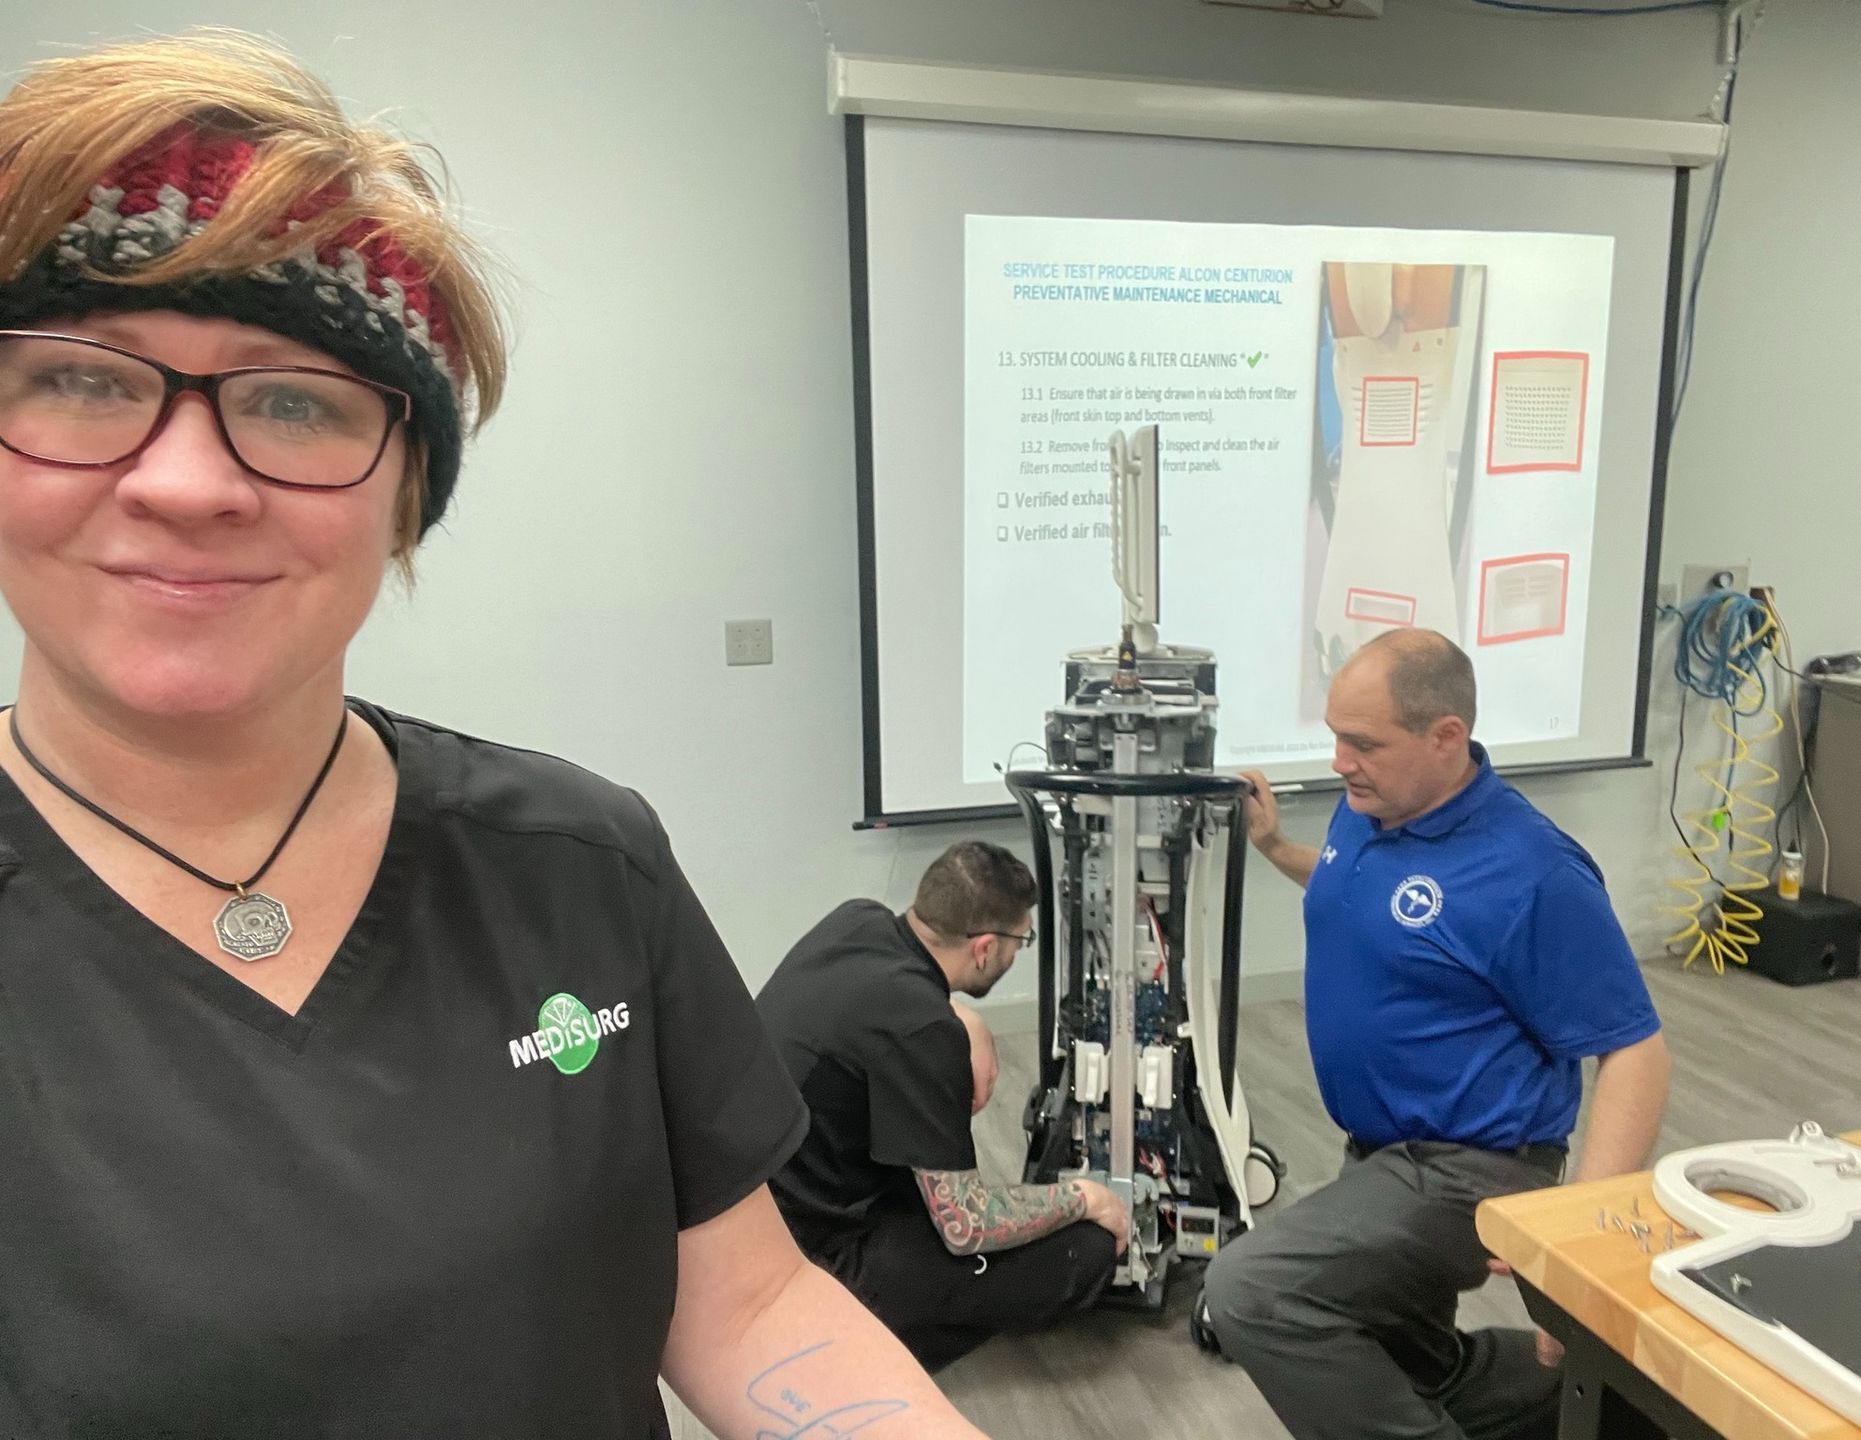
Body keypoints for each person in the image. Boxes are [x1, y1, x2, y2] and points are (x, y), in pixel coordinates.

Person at [0, 32, 984, 1440]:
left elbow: (748, 1300)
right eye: (90, 379)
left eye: (293, 400)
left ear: (403, 496)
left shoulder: (579, 863)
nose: (187, 480)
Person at [1203, 629, 1670, 1440]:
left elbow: (1636, 1051)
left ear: (1446, 736)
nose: (1340, 761)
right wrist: (1276, 846)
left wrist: (1579, 1247)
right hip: (1382, 1153)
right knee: (1405, 1364)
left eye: (1363, 743)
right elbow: (1374, 898)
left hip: (1471, 1171)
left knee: (1253, 1291)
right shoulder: (1372, 809)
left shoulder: (1532, 871)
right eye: (1334, 737)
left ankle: (1620, 1372)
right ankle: (1613, 1401)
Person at [757, 841, 1129, 1371]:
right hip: (820, 1258)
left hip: (767, 1205)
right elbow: (967, 1224)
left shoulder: (857, 921)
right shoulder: (924, 1030)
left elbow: (886, 1000)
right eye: (1019, 940)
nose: (1016, 951)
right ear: (982, 949)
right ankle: (857, 1348)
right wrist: (1083, 1198)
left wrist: (960, 1016)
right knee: (1089, 1250)